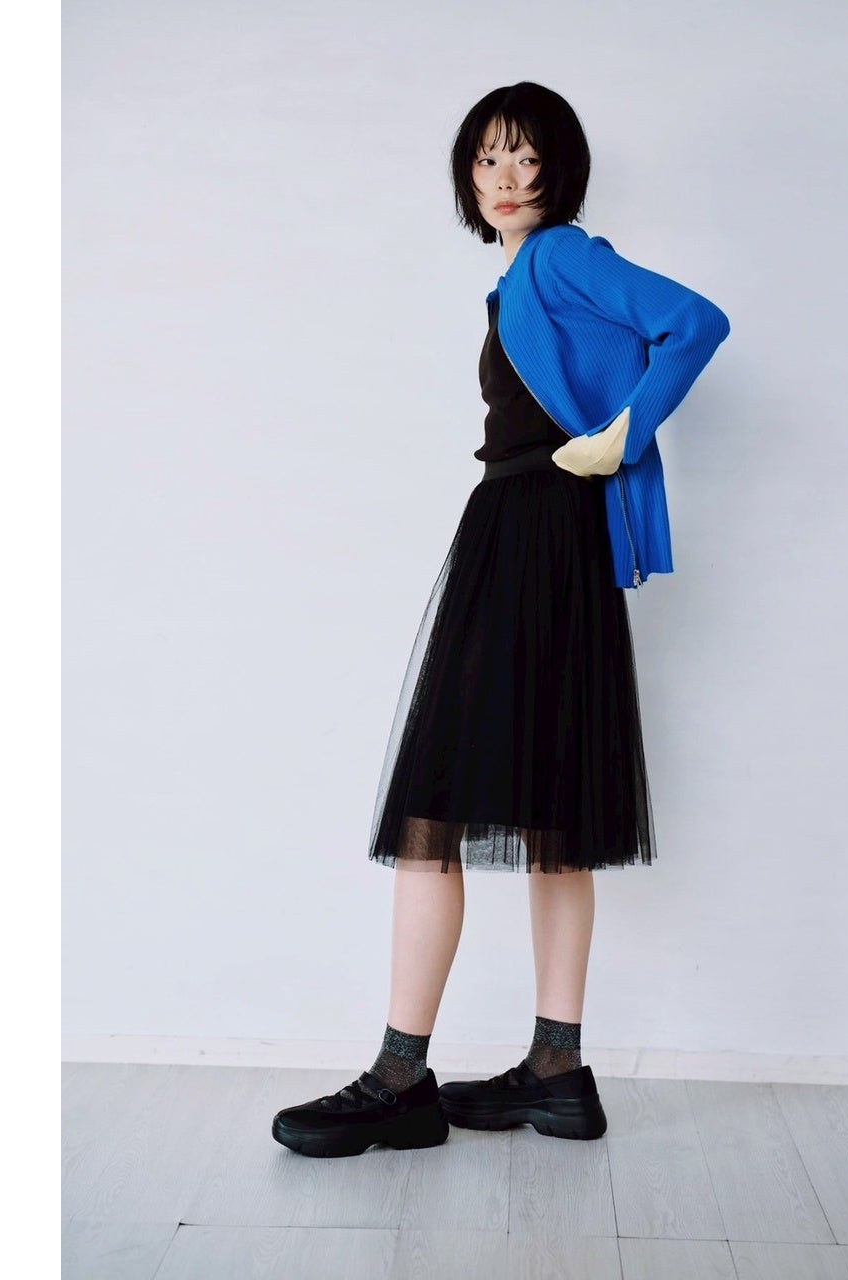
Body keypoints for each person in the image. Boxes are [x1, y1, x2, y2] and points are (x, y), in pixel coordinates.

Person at [272, 82, 730, 1158]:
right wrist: (609, 436)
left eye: (526, 157)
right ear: (466, 177)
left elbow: (696, 321)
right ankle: (556, 1070)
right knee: (553, 815)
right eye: (487, 160)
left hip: (531, 531)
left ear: (559, 169)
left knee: (433, 805)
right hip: (544, 535)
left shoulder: (559, 256)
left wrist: (623, 432)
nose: (507, 178)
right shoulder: (524, 274)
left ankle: (399, 1078)